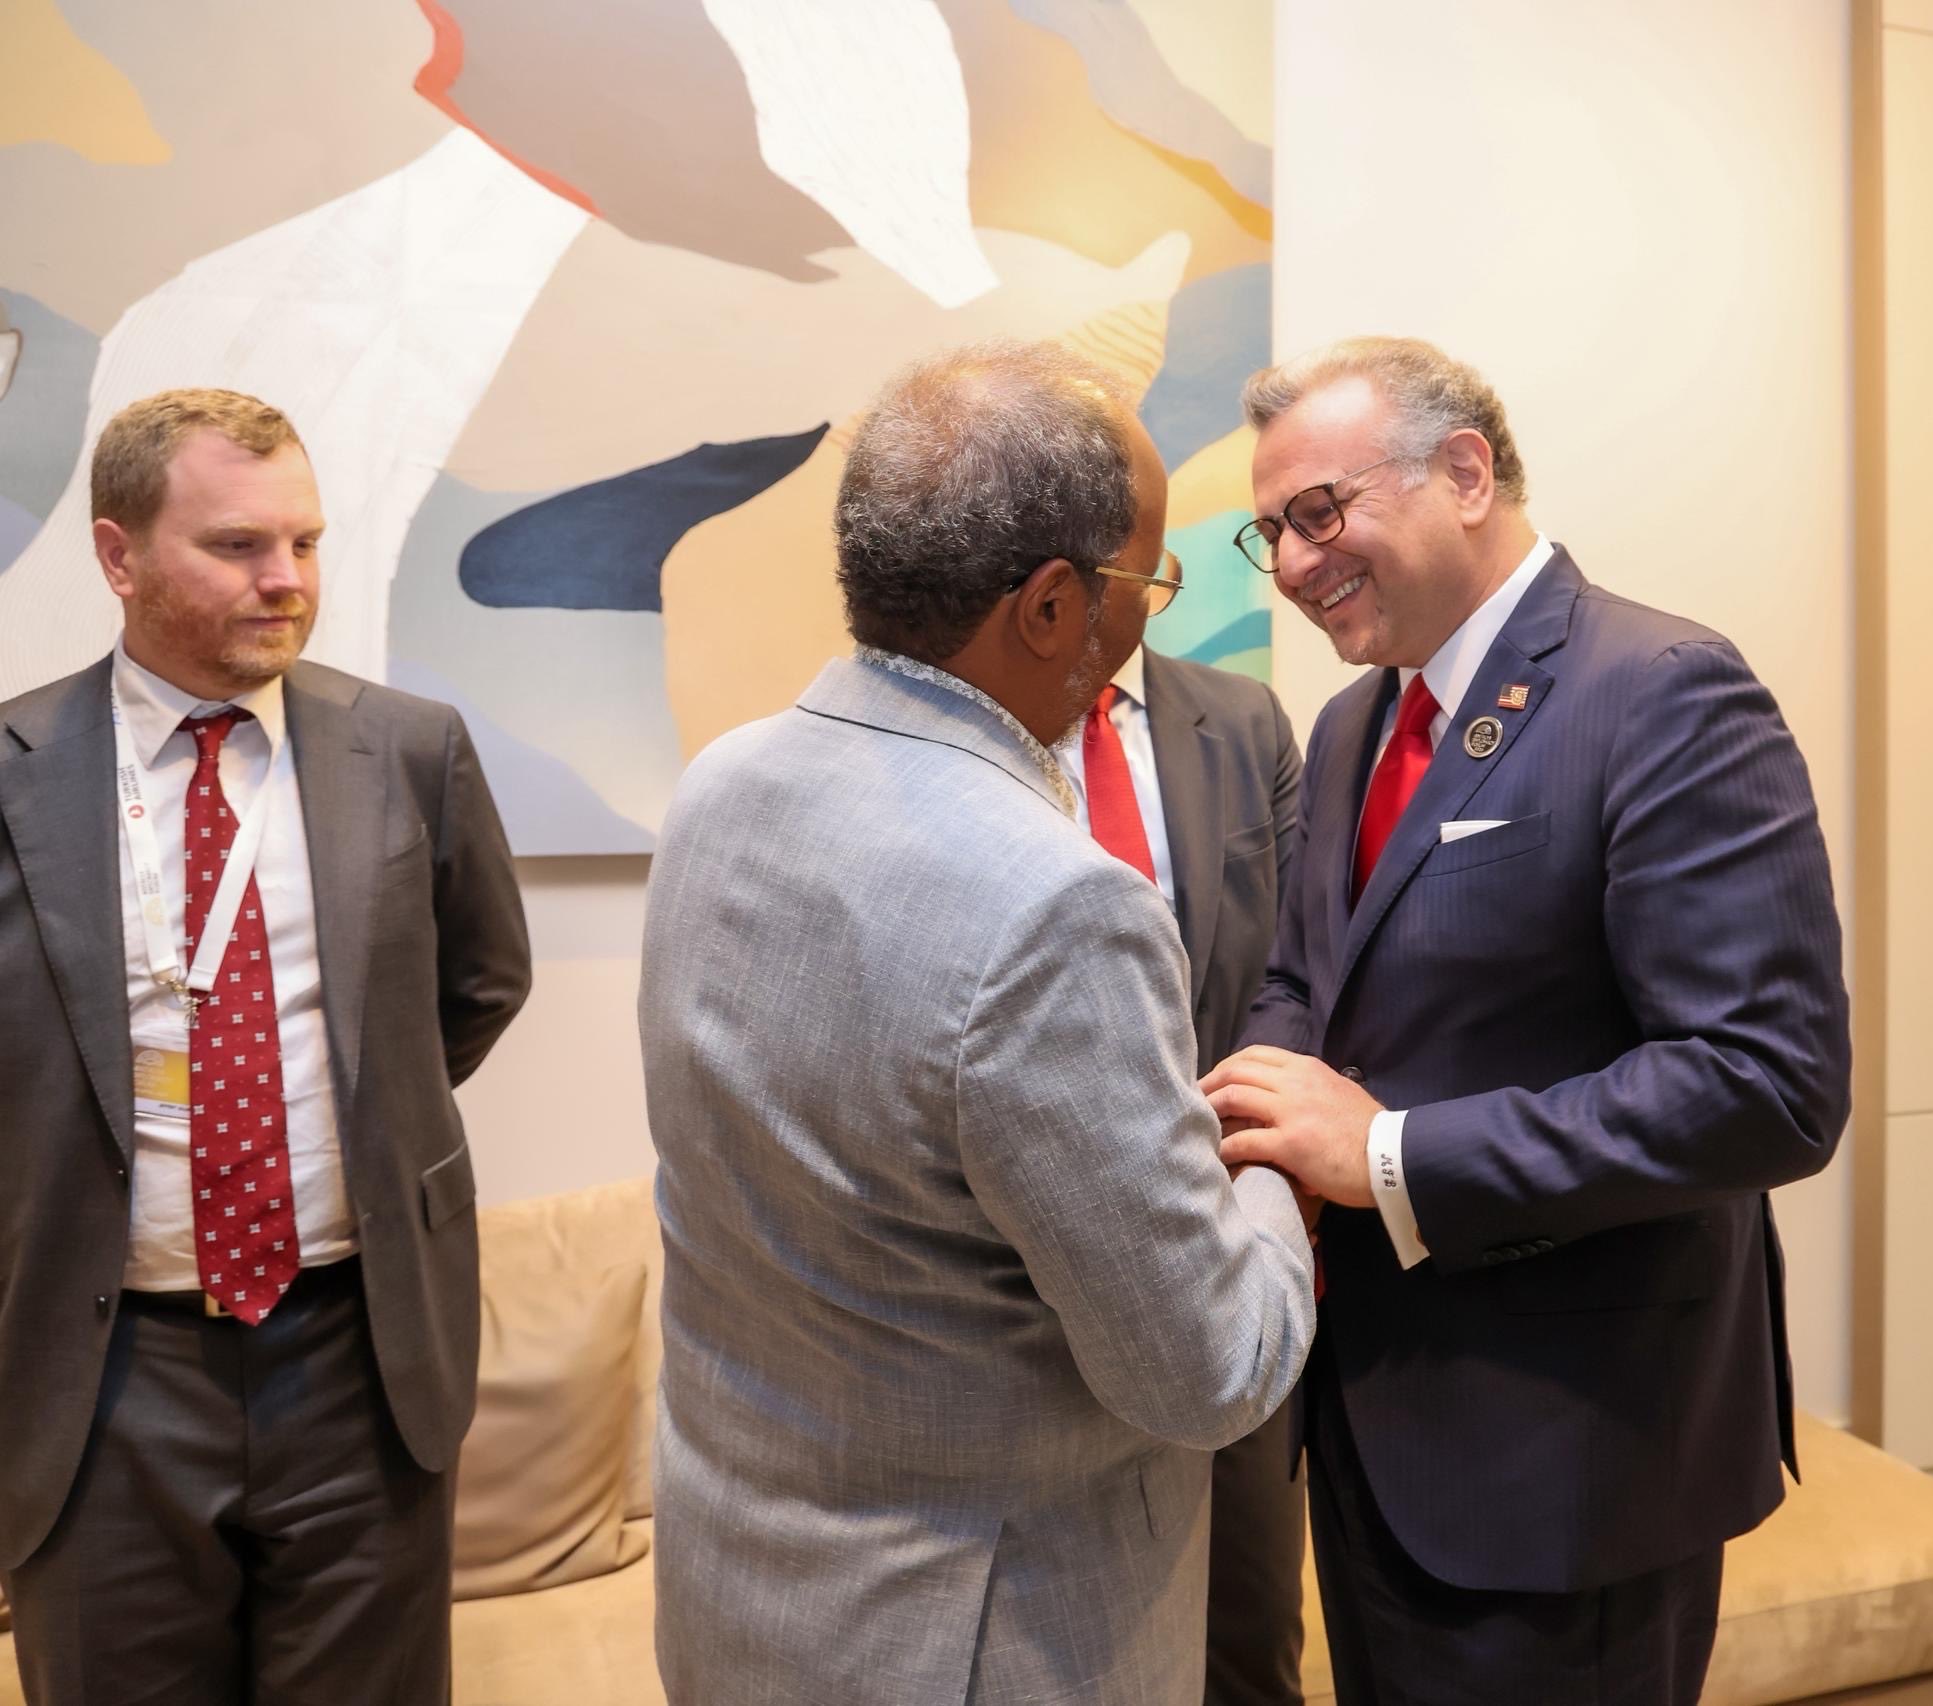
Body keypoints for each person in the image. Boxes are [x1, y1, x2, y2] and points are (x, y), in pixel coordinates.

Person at [640, 339, 1317, 1706]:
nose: (1146, 620)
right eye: (1145, 584)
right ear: (1053, 605)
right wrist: (1275, 1156)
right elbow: (1211, 1367)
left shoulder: (719, 788)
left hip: (741, 1606)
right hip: (979, 1641)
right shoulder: (1055, 902)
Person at [1205, 337, 1851, 1706]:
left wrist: (1385, 1155)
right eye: (1274, 534)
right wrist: (1247, 1123)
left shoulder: (1661, 687)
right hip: (1370, 1427)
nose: (1297, 563)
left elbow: (1767, 1085)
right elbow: (1306, 983)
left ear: (1464, 472)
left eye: (1319, 511)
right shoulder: (1351, 725)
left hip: (1571, 1457)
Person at [0, 387, 532, 1704]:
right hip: (99, 1372)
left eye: (304, 541)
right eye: (237, 545)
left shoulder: (407, 750)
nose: (286, 578)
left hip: (359, 1359)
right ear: (120, 555)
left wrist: (347, 1121)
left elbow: (479, 982)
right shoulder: (14, 768)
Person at [1064, 612, 1309, 1704]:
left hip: (1230, 1230)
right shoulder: (974, 733)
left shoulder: (1244, 721)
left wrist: (1266, 1175)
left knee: (1250, 1627)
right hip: (1044, 1256)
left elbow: (1304, 960)